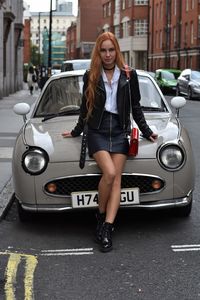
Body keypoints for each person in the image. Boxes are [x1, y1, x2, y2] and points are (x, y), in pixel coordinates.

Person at [62, 32, 157, 252]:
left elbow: (136, 107)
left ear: (117, 51)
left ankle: (106, 227)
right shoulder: (91, 75)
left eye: (111, 50)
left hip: (120, 130)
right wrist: (76, 131)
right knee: (111, 173)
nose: (107, 55)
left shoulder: (128, 74)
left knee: (116, 180)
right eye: (103, 50)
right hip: (98, 130)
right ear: (98, 52)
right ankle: (101, 213)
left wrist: (147, 131)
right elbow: (85, 107)